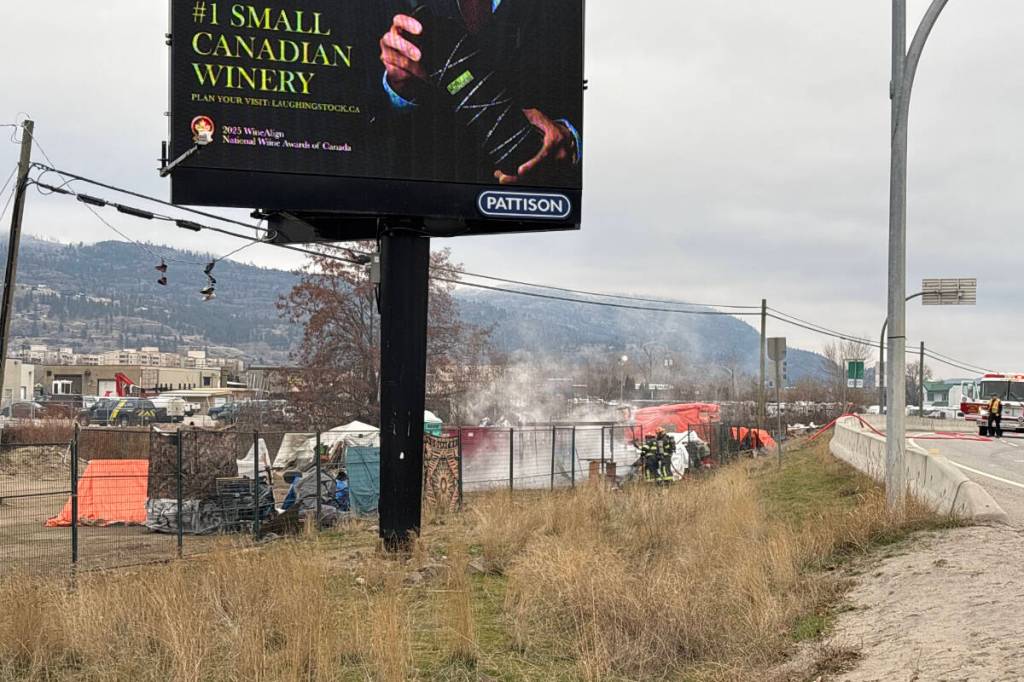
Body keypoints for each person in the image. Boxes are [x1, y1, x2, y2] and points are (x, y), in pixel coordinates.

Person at [378, 0, 583, 185]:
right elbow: (358, 105)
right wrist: (398, 88)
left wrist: (571, 140)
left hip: (536, 207)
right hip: (422, 202)